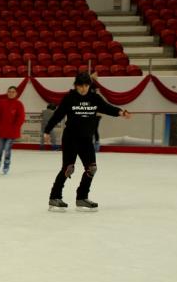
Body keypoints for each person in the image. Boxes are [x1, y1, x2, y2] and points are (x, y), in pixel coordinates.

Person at [43, 72, 131, 211]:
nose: (83, 88)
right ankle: (55, 197)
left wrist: (120, 112)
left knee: (92, 168)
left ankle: (82, 198)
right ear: (76, 86)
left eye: (86, 85)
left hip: (86, 140)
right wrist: (47, 131)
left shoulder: (94, 98)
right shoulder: (70, 98)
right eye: (80, 86)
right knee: (68, 169)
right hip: (71, 138)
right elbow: (58, 115)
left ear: (89, 86)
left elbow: (107, 107)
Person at [0, 85, 25, 175]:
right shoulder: (2, 103)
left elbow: (21, 117)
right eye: (9, 91)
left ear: (16, 93)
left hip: (12, 131)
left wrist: (16, 127)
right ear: (7, 93)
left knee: (7, 148)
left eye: (13, 92)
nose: (11, 93)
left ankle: (6, 164)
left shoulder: (19, 104)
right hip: (3, 130)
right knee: (0, 148)